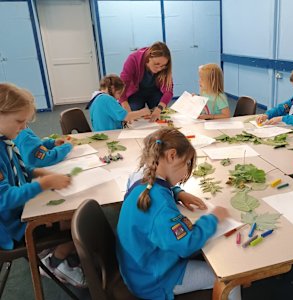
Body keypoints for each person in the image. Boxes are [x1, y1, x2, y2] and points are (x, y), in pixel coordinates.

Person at [116, 127, 241, 300]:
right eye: (187, 163)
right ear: (172, 156)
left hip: (137, 266)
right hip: (153, 280)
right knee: (230, 279)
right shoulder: (159, 205)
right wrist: (213, 219)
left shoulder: (142, 177)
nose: (186, 172)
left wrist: (177, 193)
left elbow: (158, 187)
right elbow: (186, 245)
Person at [0, 83, 86, 287]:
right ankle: (54, 262)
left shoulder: (4, 141)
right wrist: (44, 183)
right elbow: (4, 199)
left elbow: (17, 169)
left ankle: (62, 253)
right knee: (78, 227)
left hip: (21, 212)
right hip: (13, 228)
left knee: (70, 213)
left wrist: (37, 173)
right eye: (20, 121)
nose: (23, 128)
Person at [120, 41, 173, 122]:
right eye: (156, 64)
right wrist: (127, 110)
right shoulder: (133, 59)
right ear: (148, 58)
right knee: (134, 114)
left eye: (162, 66)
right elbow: (122, 87)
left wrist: (159, 108)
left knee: (161, 115)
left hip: (155, 92)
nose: (159, 69)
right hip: (136, 93)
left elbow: (168, 91)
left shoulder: (164, 68)